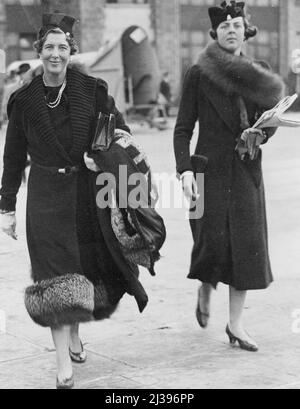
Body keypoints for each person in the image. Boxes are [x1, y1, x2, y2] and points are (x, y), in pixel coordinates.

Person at [0, 12, 149, 389]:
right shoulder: (23, 101)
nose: (55, 54)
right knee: (54, 277)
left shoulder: (93, 90)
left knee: (81, 269)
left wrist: (100, 157)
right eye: (48, 47)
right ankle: (63, 361)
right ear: (39, 51)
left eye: (62, 47)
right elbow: (13, 158)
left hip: (86, 196)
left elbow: (122, 133)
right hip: (45, 199)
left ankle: (75, 332)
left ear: (71, 51)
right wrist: (6, 207)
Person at [174, 1, 284, 352]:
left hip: (246, 169)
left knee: (247, 249)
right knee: (210, 243)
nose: (231, 30)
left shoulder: (258, 71)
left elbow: (268, 122)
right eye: (224, 27)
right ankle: (205, 284)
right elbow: (181, 130)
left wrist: (262, 133)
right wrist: (185, 170)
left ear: (245, 30)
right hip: (209, 171)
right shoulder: (199, 74)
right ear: (215, 34)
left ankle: (236, 325)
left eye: (237, 24)